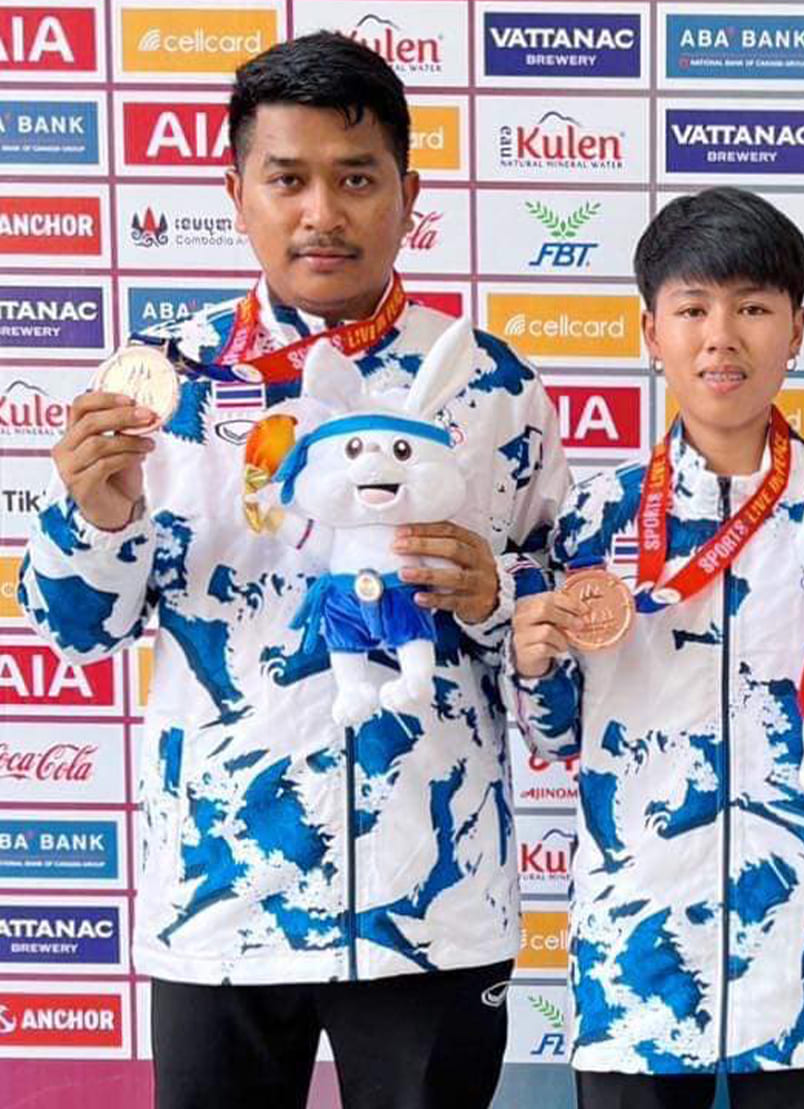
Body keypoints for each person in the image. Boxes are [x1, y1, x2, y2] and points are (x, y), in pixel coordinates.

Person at [18, 32, 568, 1109]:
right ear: (237, 193)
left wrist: (498, 595)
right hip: (220, 891)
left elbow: (563, 645)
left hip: (429, 900)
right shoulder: (159, 382)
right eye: (288, 179)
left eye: (357, 178)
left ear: (409, 195)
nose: (323, 212)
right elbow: (77, 630)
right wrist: (98, 516)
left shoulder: (491, 385)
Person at [505, 187, 804, 1109]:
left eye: (753, 308)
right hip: (637, 938)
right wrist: (533, 668)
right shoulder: (593, 515)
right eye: (692, 309)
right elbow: (553, 735)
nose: (720, 337)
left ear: (797, 328)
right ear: (650, 332)